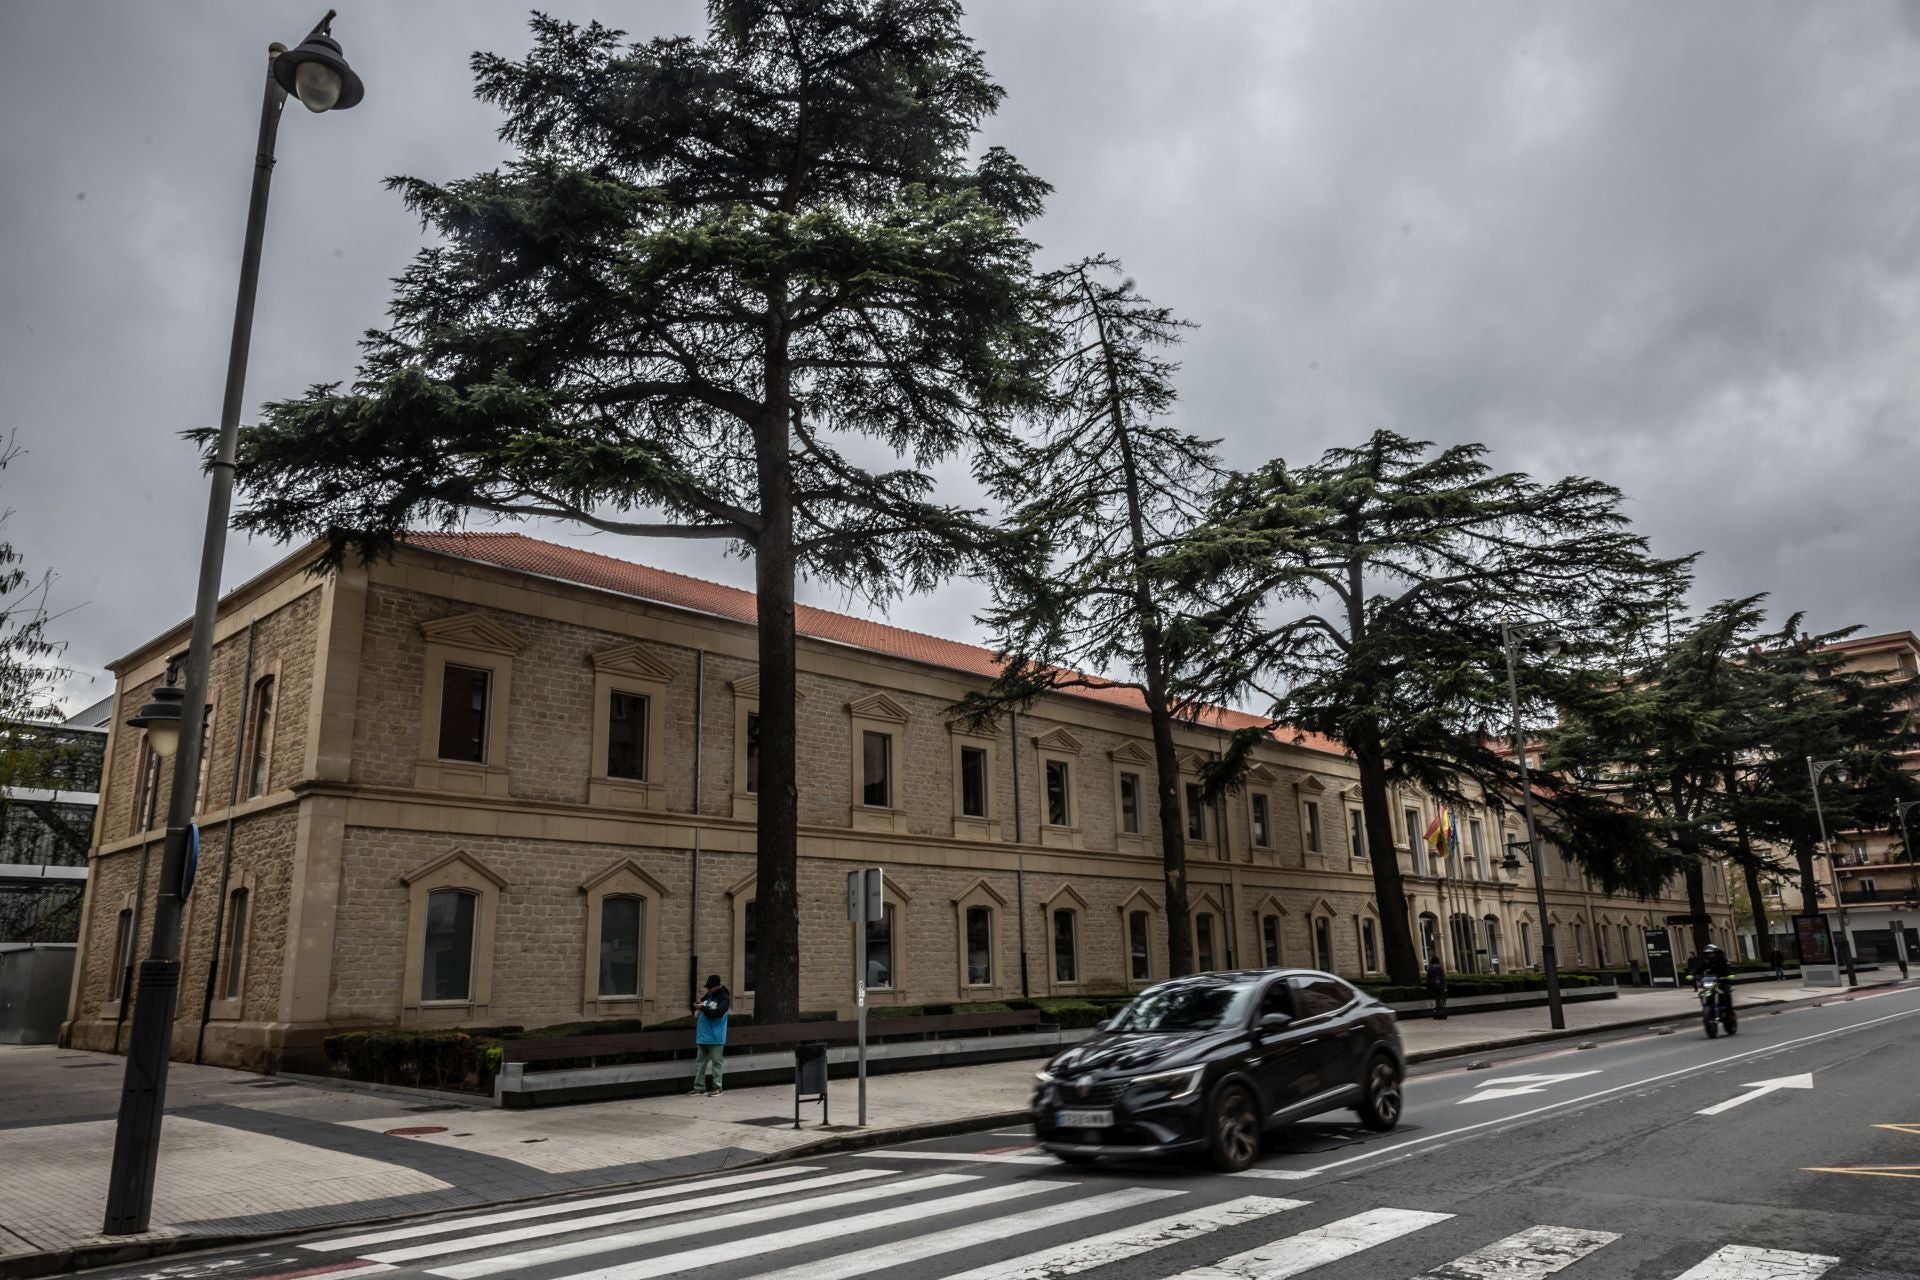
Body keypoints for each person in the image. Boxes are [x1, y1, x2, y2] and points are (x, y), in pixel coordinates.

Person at [691, 973, 730, 1096]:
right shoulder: (709, 995)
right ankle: (699, 1087)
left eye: (710, 987)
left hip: (716, 1036)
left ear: (717, 986)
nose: (708, 989)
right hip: (703, 1035)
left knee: (716, 1063)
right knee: (700, 1062)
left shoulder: (724, 998)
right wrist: (698, 1004)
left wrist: (702, 1008)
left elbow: (717, 1014)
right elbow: (702, 1003)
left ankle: (717, 1087)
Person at [1696, 943, 1732, 1014]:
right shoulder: (1706, 961)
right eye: (1707, 953)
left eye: (1711, 953)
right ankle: (1706, 1006)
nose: (1709, 955)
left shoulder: (1722, 960)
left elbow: (1729, 968)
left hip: (1723, 981)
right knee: (1703, 993)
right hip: (1712, 981)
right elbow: (1699, 968)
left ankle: (1729, 1011)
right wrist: (1692, 973)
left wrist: (1729, 975)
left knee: (1726, 992)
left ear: (1715, 953)